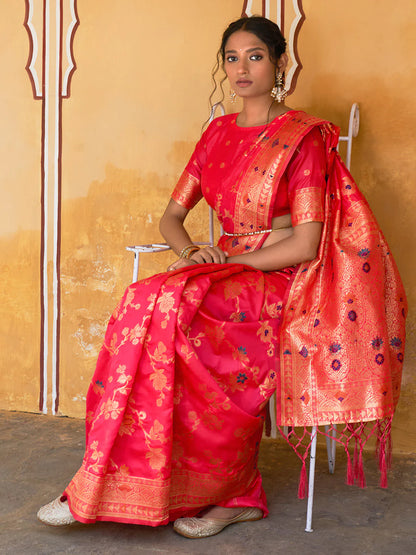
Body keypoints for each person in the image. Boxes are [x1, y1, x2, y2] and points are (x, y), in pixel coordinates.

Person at [37, 16, 406, 538]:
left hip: (280, 277)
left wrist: (223, 266)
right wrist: (191, 252)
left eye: (254, 56)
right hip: (218, 269)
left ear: (280, 63)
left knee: (178, 309)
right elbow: (171, 218)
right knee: (146, 299)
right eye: (232, 58)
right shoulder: (215, 134)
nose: (241, 68)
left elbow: (304, 243)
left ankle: (233, 492)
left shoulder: (304, 138)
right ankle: (112, 480)